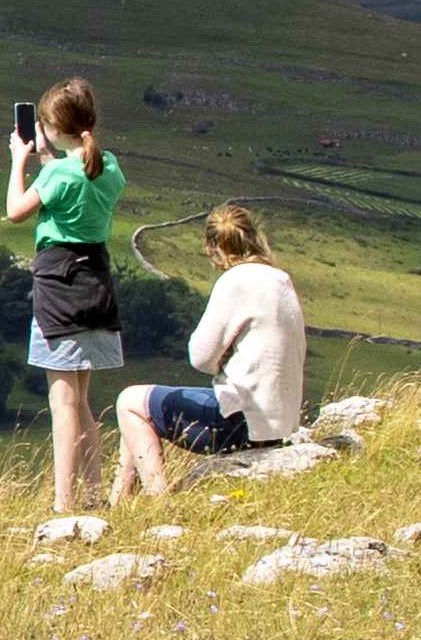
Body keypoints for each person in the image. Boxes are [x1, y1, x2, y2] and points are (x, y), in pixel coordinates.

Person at [0, 76, 125, 515]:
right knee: (83, 398)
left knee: (62, 402)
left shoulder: (56, 173)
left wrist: (20, 160)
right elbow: (83, 181)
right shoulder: (109, 166)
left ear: (51, 127)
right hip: (98, 282)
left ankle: (63, 504)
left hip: (59, 286)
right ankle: (94, 493)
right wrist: (52, 160)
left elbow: (15, 212)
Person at [118, 203, 304, 500]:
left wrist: (223, 359)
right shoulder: (280, 279)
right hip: (279, 422)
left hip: (240, 421)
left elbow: (201, 357)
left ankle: (157, 499)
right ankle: (119, 504)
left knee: (128, 401)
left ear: (213, 245)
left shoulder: (234, 282)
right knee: (140, 411)